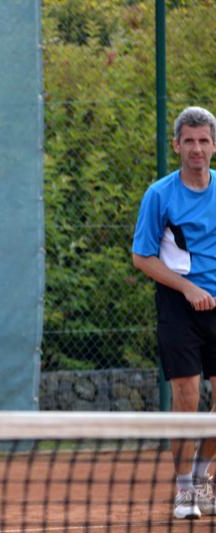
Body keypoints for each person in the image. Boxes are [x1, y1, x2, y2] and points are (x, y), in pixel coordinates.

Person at [132, 106, 216, 520]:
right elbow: (142, 256)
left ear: (213, 146)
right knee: (187, 397)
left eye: (204, 141)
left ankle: (202, 479)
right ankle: (185, 491)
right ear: (177, 145)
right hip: (178, 306)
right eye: (189, 141)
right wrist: (188, 288)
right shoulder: (159, 195)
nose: (196, 149)